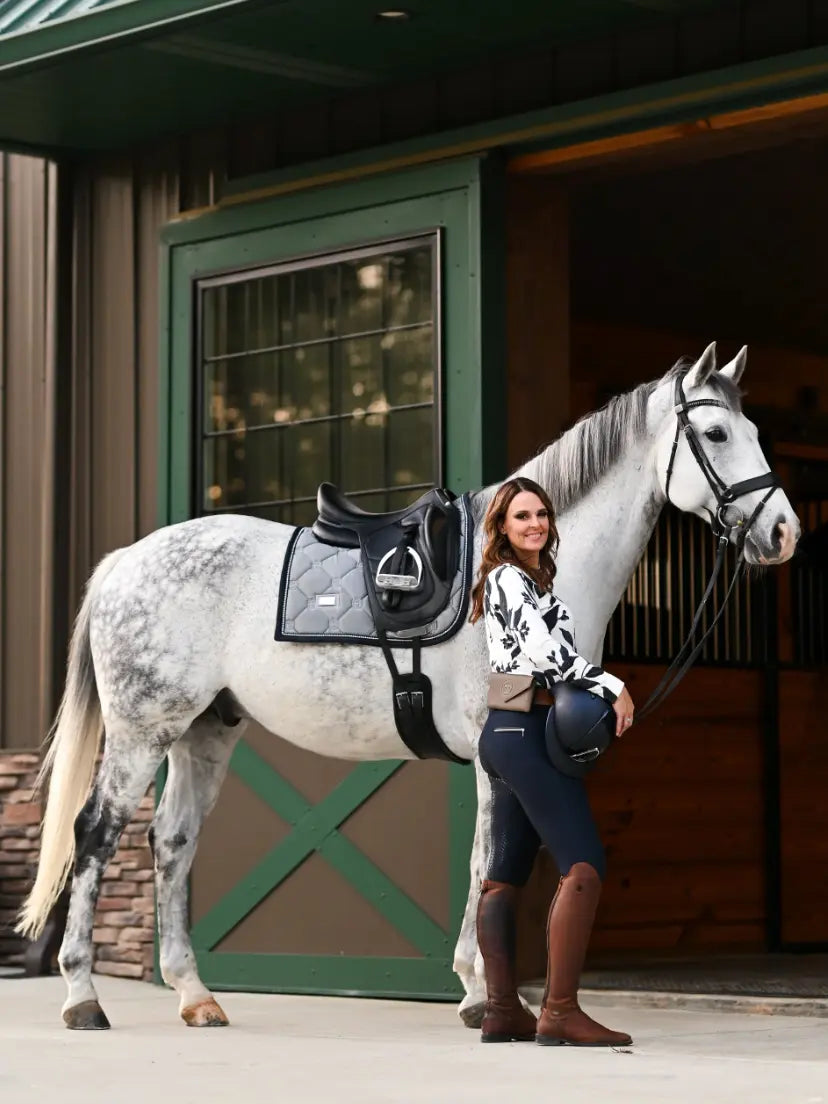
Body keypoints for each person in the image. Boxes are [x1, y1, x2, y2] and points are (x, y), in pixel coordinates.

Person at [469, 475, 635, 1047]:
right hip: (523, 732)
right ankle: (560, 1012)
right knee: (583, 864)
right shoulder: (508, 578)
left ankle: (501, 1011)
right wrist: (611, 685)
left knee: (505, 873)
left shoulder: (530, 581)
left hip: (510, 728)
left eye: (541, 514)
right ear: (501, 527)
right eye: (522, 516)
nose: (535, 523)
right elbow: (545, 654)